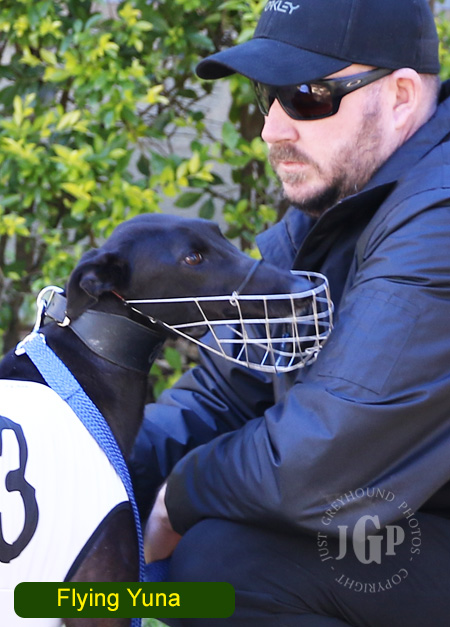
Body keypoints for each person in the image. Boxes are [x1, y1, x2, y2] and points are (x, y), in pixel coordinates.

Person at [130, 0, 450, 624]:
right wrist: (93, 456)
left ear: (402, 96)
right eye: (268, 96)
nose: (272, 130)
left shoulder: (437, 219)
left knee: (222, 566)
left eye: (306, 96)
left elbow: (322, 462)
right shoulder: (344, 202)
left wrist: (178, 497)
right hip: (408, 514)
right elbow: (229, 391)